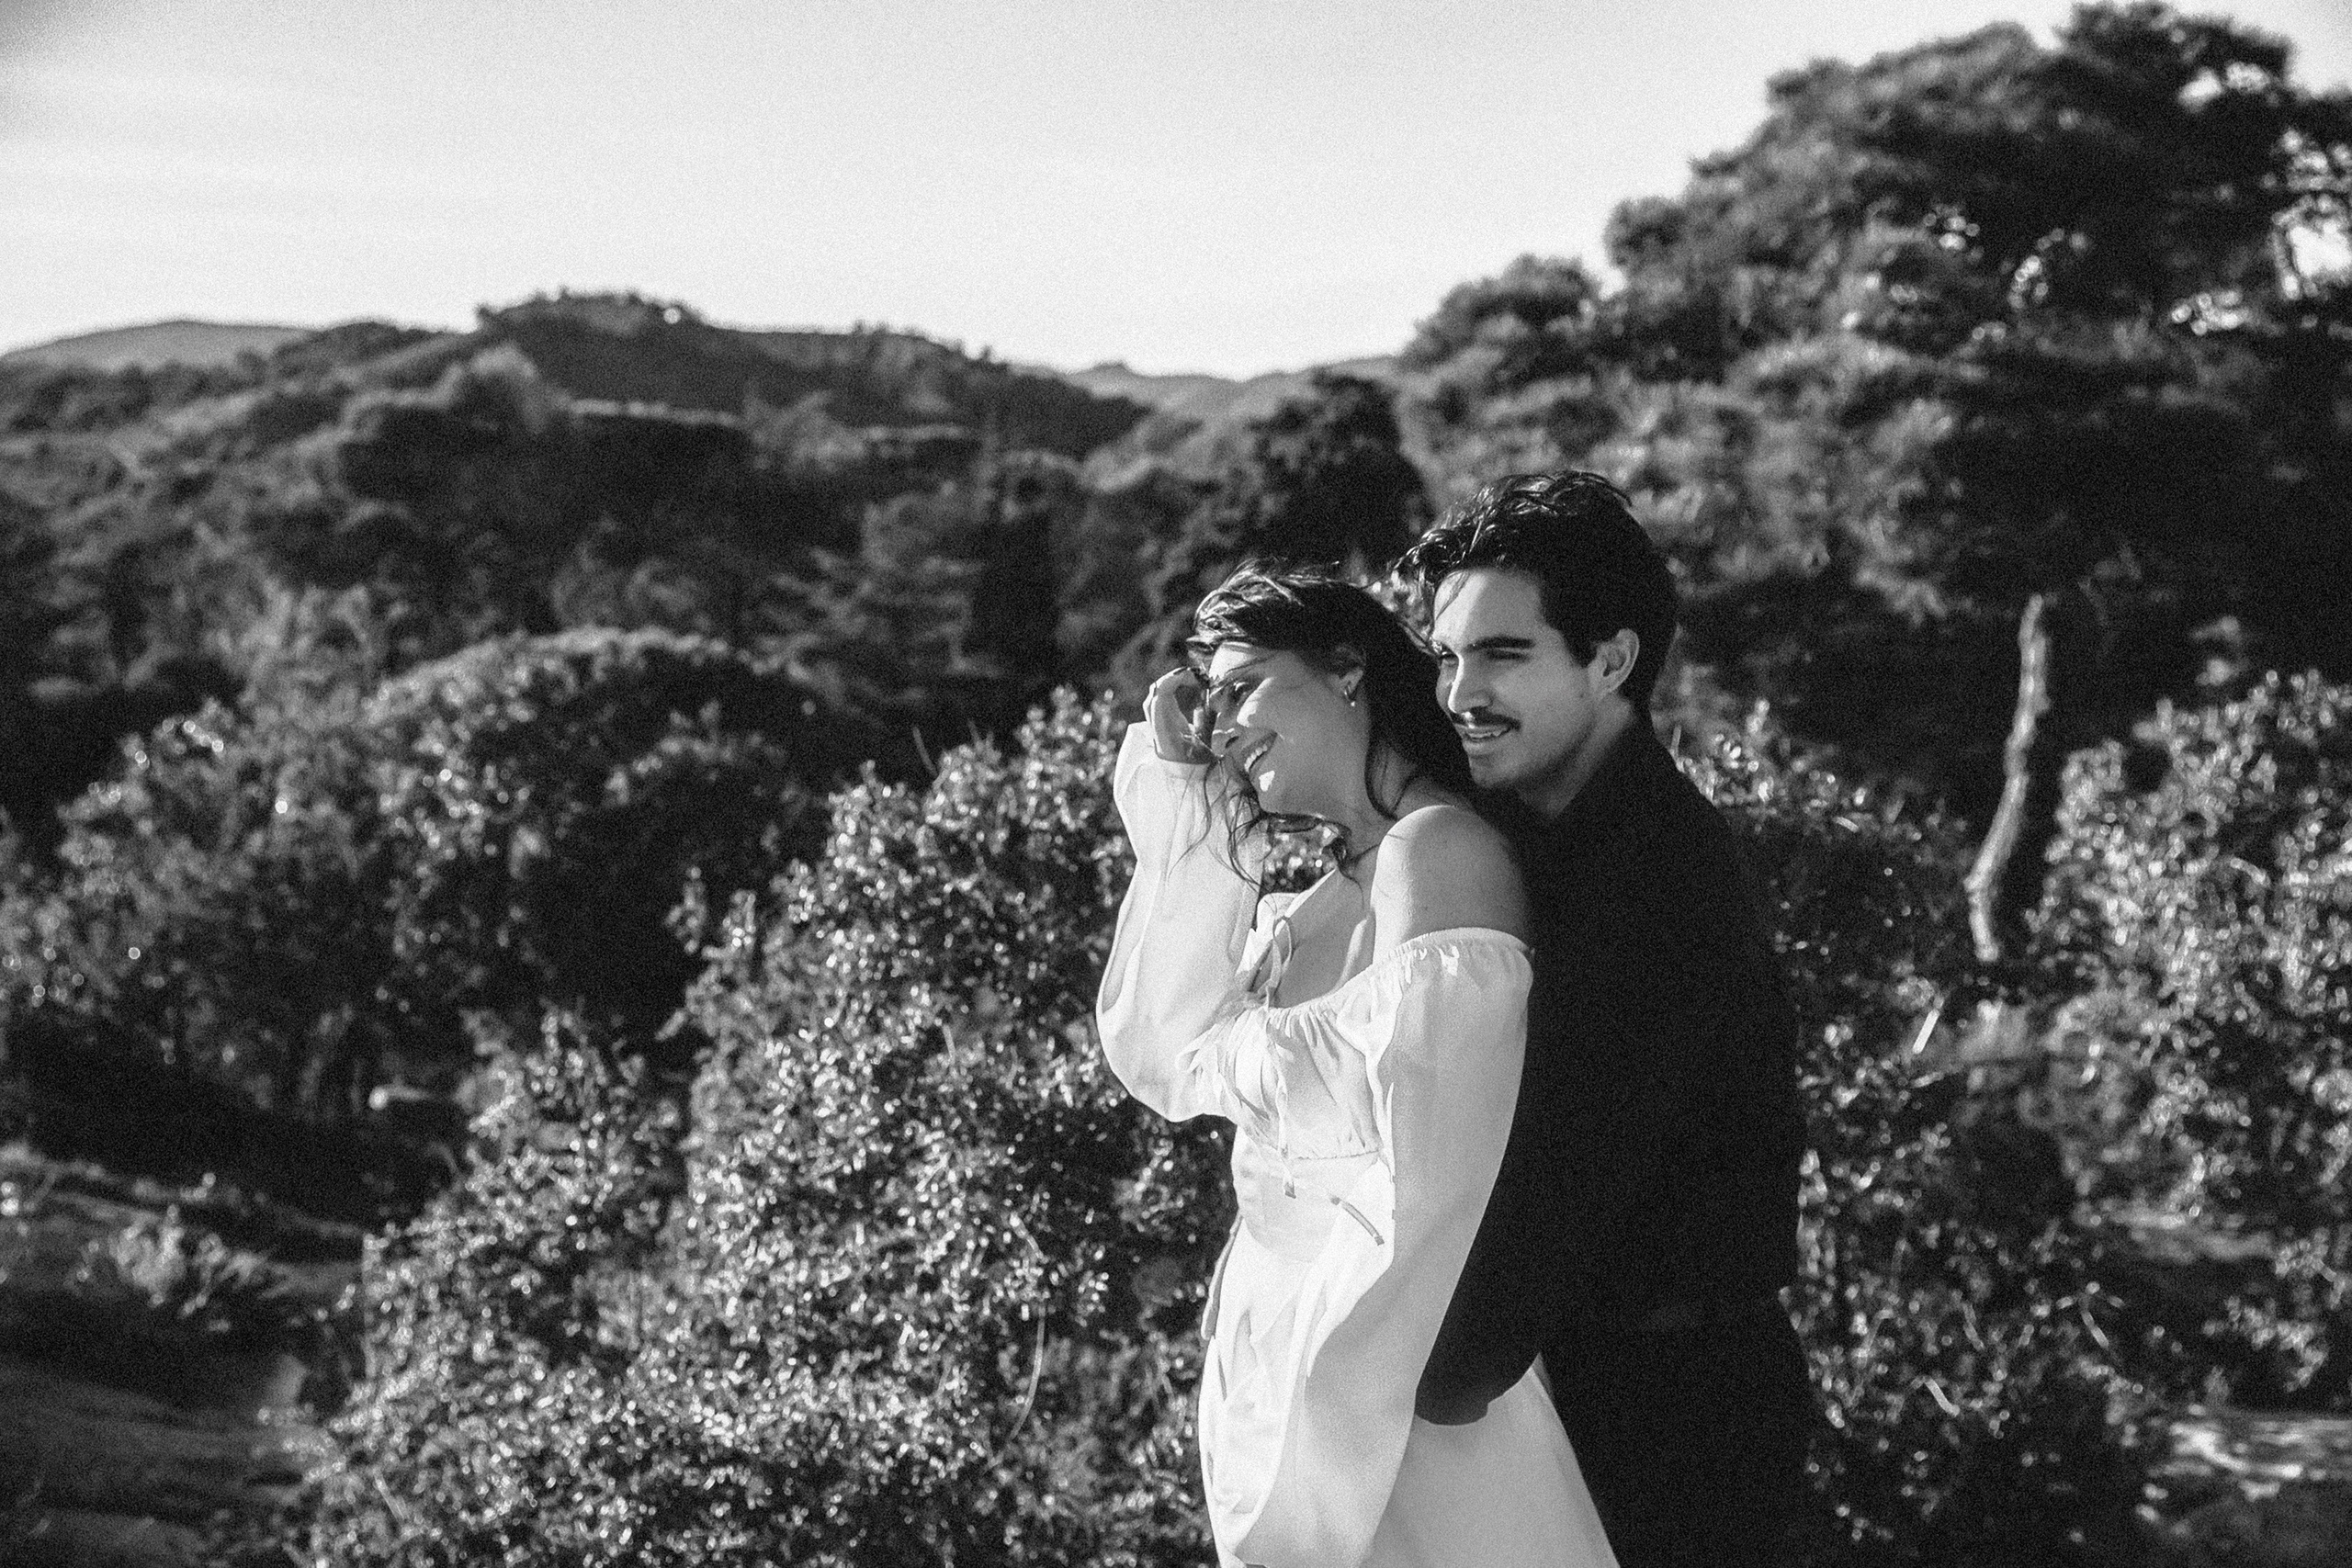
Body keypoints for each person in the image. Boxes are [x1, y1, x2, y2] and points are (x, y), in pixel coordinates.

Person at [1095, 563, 1619, 1568]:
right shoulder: (1319, 896)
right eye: (1212, 700)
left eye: (1244, 684)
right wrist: (1188, 794)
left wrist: (1327, 1413)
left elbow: (1437, 1186)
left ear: (1346, 671)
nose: (1228, 722)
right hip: (1276, 1374)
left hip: (1389, 1401)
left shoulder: (1440, 854)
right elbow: (1161, 1050)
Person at [1398, 471, 1814, 1567]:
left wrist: (1393, 1384)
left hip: (1671, 1422)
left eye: (1500, 654)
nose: (1456, 694)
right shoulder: (1525, 805)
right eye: (1445, 656)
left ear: (1612, 660)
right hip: (1561, 1383)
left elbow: (1564, 1172)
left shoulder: (1655, 876)